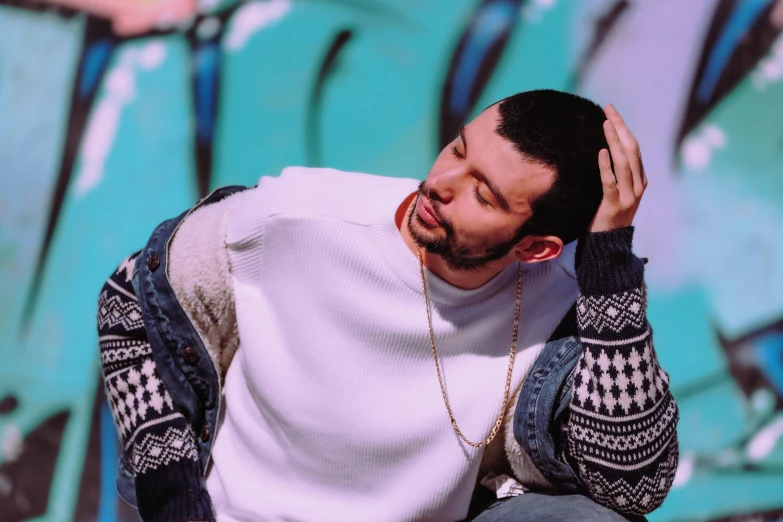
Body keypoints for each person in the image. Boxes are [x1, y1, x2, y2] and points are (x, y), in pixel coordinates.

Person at [96, 89, 678, 522]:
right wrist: (173, 498)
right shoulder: (298, 218)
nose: (442, 183)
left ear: (535, 247)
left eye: (483, 193)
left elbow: (632, 488)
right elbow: (129, 302)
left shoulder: (560, 306)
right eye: (458, 149)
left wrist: (610, 275)